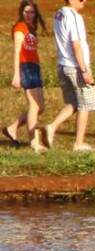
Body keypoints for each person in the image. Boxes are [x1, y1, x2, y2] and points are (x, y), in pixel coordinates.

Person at [41, 0, 95, 152]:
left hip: (63, 65)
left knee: (73, 103)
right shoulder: (74, 16)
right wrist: (84, 70)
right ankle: (79, 143)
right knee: (85, 104)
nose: (84, 1)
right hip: (76, 66)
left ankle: (52, 127)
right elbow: (76, 44)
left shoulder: (59, 14)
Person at [5, 1, 46, 152]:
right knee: (34, 106)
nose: (29, 15)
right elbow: (17, 51)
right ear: (21, 12)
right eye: (26, 12)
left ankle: (12, 127)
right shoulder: (20, 28)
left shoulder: (31, 28)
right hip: (25, 67)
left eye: (32, 12)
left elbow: (33, 51)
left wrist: (39, 70)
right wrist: (16, 75)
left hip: (34, 66)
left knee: (40, 106)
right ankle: (34, 143)